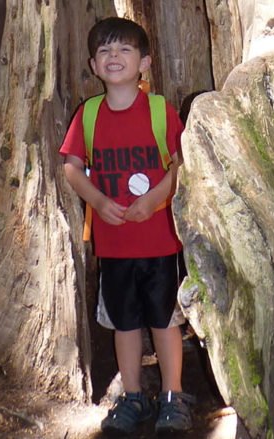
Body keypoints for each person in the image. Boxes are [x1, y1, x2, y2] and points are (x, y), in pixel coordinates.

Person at [59, 16, 194, 436]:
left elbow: (179, 164)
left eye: (124, 50)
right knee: (124, 323)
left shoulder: (159, 111)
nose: (113, 57)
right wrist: (97, 200)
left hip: (159, 240)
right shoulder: (90, 114)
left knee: (165, 321)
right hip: (114, 243)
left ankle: (173, 396)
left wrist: (154, 200)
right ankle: (132, 395)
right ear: (93, 66)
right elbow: (72, 168)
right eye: (104, 51)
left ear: (145, 63)